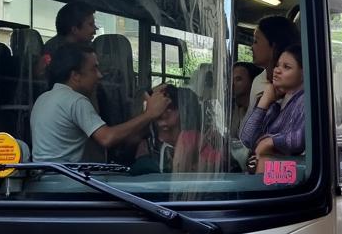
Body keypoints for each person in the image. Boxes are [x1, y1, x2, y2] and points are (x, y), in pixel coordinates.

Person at [30, 43, 169, 162]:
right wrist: (149, 114)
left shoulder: (43, 99)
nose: (99, 75)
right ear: (75, 76)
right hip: (66, 186)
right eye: (94, 69)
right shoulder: (76, 101)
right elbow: (107, 138)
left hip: (44, 183)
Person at [239, 44, 305, 171]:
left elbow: (300, 137)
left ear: (303, 73)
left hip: (287, 175)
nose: (277, 70)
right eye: (277, 65)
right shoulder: (276, 103)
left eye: (287, 67)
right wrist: (264, 102)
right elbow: (247, 138)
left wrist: (269, 142)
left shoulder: (305, 100)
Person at [133, 85, 221, 174]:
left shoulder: (198, 141)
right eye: (158, 108)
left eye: (171, 107)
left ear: (185, 111)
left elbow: (219, 164)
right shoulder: (147, 147)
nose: (162, 113)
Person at [247, 15, 299, 111]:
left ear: (274, 46)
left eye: (256, 41)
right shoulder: (258, 81)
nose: (252, 47)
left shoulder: (297, 89)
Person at [230, 62, 261, 139]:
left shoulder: (260, 111)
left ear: (253, 82)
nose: (232, 84)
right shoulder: (232, 109)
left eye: (238, 79)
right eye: (230, 79)